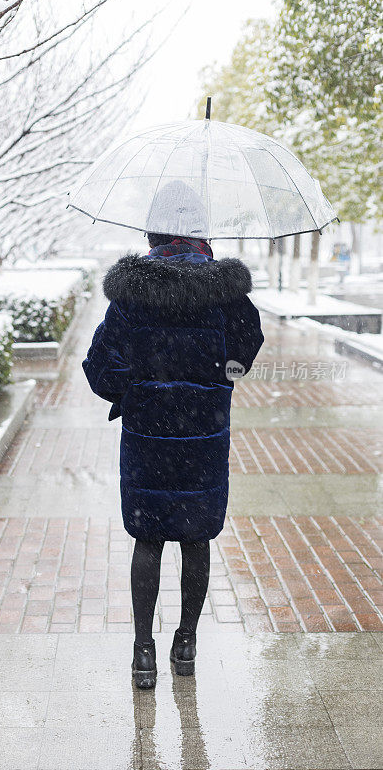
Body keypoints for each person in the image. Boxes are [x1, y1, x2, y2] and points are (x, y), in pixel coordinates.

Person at [82, 222, 263, 690]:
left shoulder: (133, 292)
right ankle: (186, 643)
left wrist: (130, 391)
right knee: (196, 536)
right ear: (201, 237)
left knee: (148, 537)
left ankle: (144, 651)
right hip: (204, 432)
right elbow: (247, 344)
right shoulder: (225, 292)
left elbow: (102, 364)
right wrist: (221, 378)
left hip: (148, 434)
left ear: (152, 238)